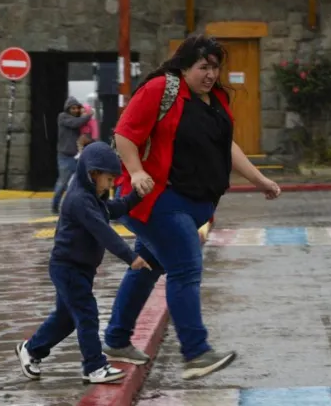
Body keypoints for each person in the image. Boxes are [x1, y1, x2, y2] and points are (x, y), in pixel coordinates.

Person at [102, 34, 282, 380]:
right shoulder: (161, 90)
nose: (211, 75)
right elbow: (125, 133)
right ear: (184, 67)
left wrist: (259, 181)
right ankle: (195, 352)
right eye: (203, 67)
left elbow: (226, 146)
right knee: (185, 268)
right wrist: (137, 171)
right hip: (156, 199)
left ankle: (116, 339)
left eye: (215, 68)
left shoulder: (214, 100)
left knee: (148, 265)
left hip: (188, 202)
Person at [16, 142, 152, 384]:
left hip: (78, 269)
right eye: (109, 180)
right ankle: (94, 367)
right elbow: (104, 232)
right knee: (87, 314)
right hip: (68, 268)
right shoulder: (80, 200)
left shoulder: (93, 198)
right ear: (93, 174)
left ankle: (31, 349)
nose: (111, 186)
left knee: (66, 319)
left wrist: (137, 195)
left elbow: (116, 208)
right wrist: (131, 258)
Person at [53, 97, 93, 214]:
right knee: (62, 183)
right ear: (68, 108)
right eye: (73, 108)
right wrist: (89, 115)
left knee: (84, 181)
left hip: (77, 156)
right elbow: (75, 123)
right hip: (65, 157)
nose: (75, 110)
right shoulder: (62, 117)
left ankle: (85, 206)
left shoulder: (80, 119)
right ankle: (55, 206)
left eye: (77, 108)